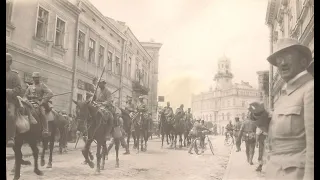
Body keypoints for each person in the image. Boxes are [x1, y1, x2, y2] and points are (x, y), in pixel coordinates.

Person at [249, 38, 314, 180]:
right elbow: (279, 132)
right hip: (276, 172)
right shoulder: (287, 93)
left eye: (288, 56)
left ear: (303, 62)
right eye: (279, 58)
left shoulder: (310, 89)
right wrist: (261, 115)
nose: (282, 63)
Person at [24, 72, 54, 137]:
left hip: (39, 103)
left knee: (42, 113)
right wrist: (26, 100)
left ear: (39, 78)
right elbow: (25, 96)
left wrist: (43, 101)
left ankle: (45, 130)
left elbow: (50, 93)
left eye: (37, 78)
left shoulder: (42, 85)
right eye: (34, 78)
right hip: (30, 103)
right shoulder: (30, 87)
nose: (35, 79)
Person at [6, 53, 23, 147]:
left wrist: (9, 91)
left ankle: (11, 138)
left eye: (6, 62)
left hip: (10, 101)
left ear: (10, 63)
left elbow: (19, 89)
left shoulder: (14, 75)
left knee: (11, 115)